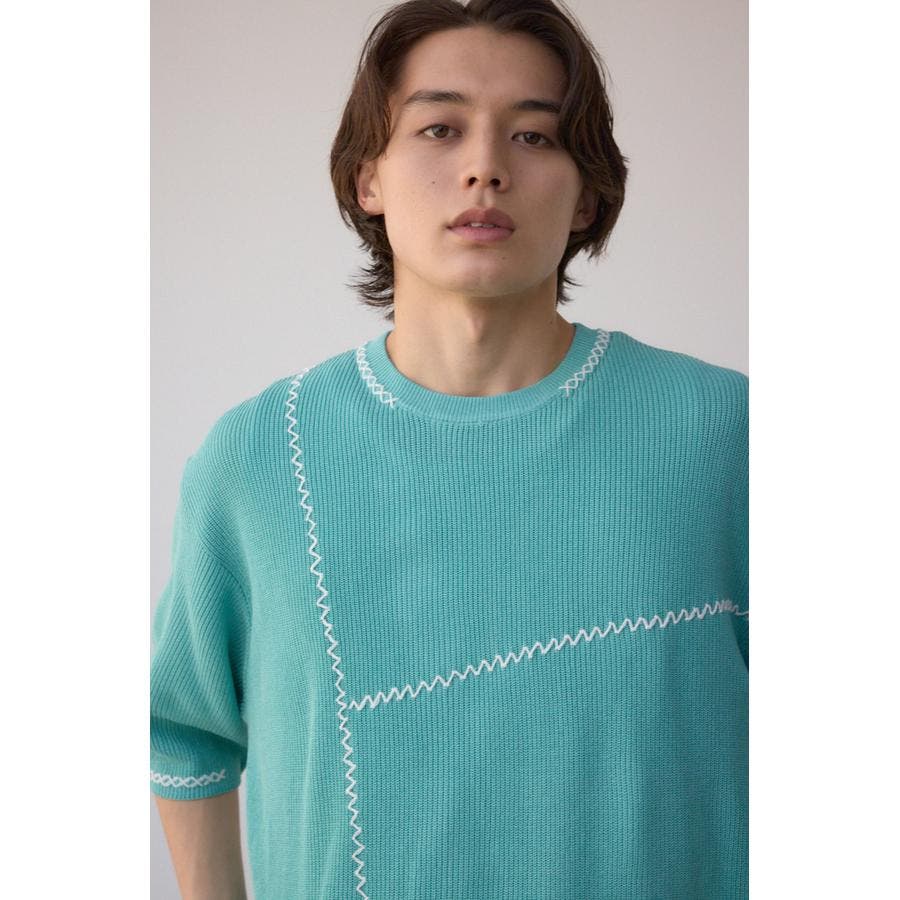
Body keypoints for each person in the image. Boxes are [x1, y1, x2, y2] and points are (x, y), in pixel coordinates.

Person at [150, 1, 749, 898]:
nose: (485, 167)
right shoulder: (260, 458)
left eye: (534, 136)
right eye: (439, 128)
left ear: (588, 195)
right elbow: (183, 732)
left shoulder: (725, 435)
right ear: (369, 178)